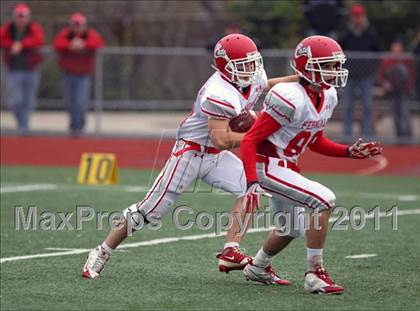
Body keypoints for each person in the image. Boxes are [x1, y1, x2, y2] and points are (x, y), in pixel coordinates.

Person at [82, 34, 299, 279]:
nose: (250, 69)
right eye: (243, 65)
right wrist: (261, 134)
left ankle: (231, 251)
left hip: (216, 156)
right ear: (225, 67)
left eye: (252, 62)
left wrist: (300, 81)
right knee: (149, 212)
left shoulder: (251, 75)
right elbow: (222, 139)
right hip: (190, 153)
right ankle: (102, 251)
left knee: (251, 188)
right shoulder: (218, 93)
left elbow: (266, 84)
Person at [239, 36, 382, 294]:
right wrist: (251, 182)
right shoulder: (288, 96)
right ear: (307, 66)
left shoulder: (327, 95)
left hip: (285, 165)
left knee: (290, 228)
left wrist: (348, 152)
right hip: (267, 165)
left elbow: (314, 140)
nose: (334, 72)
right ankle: (315, 274)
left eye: (336, 66)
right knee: (324, 199)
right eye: (326, 66)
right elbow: (250, 139)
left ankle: (258, 267)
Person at [53, 12, 104, 136]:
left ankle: (80, 127)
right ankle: (73, 126)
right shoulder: (66, 34)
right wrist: (70, 45)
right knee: (71, 102)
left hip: (83, 75)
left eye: (79, 25)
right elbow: (57, 43)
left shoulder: (89, 34)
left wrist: (83, 44)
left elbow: (98, 43)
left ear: (84, 25)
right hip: (68, 73)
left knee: (81, 101)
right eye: (75, 25)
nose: (77, 28)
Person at [339, 3, 382, 138]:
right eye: (355, 16)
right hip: (350, 75)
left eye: (360, 16)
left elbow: (378, 53)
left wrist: (372, 68)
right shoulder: (346, 34)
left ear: (364, 17)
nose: (357, 19)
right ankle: (347, 134)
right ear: (352, 17)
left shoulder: (371, 34)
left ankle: (367, 134)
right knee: (347, 105)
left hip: (366, 75)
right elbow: (339, 51)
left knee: (367, 105)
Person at [0, 3, 44, 134]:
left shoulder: (33, 28)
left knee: (28, 100)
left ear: (28, 17)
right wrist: (12, 45)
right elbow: (2, 39)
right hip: (14, 70)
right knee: (15, 100)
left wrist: (22, 45)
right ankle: (21, 123)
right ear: (14, 17)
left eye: (23, 16)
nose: (21, 19)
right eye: (19, 16)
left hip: (31, 70)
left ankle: (23, 127)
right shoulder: (8, 29)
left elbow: (38, 39)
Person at [378, 38, 415, 138]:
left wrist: (409, 88)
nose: (397, 49)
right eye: (395, 46)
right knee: (395, 114)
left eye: (399, 46)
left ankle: (407, 136)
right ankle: (399, 136)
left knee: (404, 113)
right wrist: (384, 84)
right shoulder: (387, 60)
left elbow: (410, 74)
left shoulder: (405, 59)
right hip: (392, 92)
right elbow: (382, 75)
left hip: (403, 92)